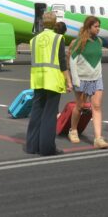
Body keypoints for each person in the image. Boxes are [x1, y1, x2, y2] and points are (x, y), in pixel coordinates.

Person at [26, 11, 73, 156]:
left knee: (37, 112)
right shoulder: (58, 38)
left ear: (42, 23)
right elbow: (62, 62)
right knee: (49, 115)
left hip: (38, 79)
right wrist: (68, 81)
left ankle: (32, 146)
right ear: (54, 23)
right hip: (52, 79)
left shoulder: (34, 39)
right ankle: (47, 148)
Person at [68, 16, 108, 149]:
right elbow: (72, 61)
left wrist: (99, 74)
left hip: (96, 78)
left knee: (96, 106)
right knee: (80, 106)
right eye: (95, 26)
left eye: (99, 26)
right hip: (81, 79)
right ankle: (73, 130)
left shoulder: (99, 41)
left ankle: (98, 138)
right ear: (88, 27)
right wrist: (75, 80)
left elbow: (98, 61)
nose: (98, 29)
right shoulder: (79, 42)